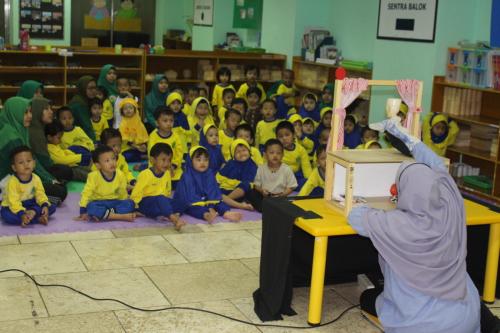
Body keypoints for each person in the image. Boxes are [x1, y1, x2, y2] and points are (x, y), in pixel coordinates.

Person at [350, 118, 482, 333]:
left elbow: (356, 217)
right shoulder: (452, 202)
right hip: (465, 317)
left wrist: (365, 203)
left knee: (368, 297)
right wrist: (405, 136)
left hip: (422, 324)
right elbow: (438, 166)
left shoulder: (396, 223)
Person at [0, 97, 67, 203]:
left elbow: (32, 161)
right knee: (59, 192)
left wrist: (50, 179)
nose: (30, 116)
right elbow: (28, 167)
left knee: (59, 180)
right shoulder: (11, 137)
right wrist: (50, 180)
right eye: (25, 112)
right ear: (14, 112)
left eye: (30, 111)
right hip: (7, 184)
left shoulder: (18, 130)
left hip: (19, 176)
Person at [173, 146, 242, 223]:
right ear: (190, 161)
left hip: (208, 200)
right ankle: (206, 215)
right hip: (193, 202)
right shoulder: (187, 175)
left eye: (206, 160)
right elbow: (189, 196)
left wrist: (210, 205)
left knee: (220, 203)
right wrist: (207, 207)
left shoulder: (209, 173)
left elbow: (213, 192)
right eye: (199, 160)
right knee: (193, 208)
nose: (203, 163)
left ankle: (226, 213)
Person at [130, 143, 186, 231]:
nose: (167, 163)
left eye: (169, 160)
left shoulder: (167, 173)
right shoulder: (145, 174)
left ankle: (165, 212)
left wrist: (167, 204)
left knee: (182, 202)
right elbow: (136, 193)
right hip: (146, 204)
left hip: (161, 202)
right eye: (163, 160)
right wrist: (135, 208)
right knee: (160, 198)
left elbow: (167, 191)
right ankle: (174, 219)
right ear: (153, 160)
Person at [77, 145, 136, 222]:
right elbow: (86, 193)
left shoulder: (120, 174)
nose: (112, 163)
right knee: (91, 207)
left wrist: (124, 202)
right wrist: (83, 211)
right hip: (99, 202)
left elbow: (122, 192)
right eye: (107, 161)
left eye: (113, 159)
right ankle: (121, 216)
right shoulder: (93, 176)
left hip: (114, 201)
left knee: (130, 203)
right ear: (98, 165)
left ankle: (103, 215)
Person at [1, 146, 56, 226]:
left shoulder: (36, 178)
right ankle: (36, 219)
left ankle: (32, 215)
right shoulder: (12, 182)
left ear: (34, 163)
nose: (26, 164)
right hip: (13, 206)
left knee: (52, 207)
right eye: (21, 162)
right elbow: (14, 202)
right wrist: (22, 213)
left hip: (31, 204)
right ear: (14, 167)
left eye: (28, 161)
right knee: (6, 216)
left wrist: (44, 205)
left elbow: (40, 194)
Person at [29, 97, 73, 184]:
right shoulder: (35, 133)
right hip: (38, 172)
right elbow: (44, 162)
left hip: (43, 168)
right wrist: (51, 179)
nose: (51, 111)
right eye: (46, 109)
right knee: (66, 171)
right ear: (37, 111)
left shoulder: (40, 127)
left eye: (50, 108)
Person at [249, 139, 297, 212]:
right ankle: (267, 207)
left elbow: (291, 186)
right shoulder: (261, 168)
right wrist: (262, 191)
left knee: (288, 206)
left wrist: (283, 194)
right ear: (265, 155)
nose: (275, 155)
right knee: (252, 193)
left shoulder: (286, 169)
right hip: (265, 196)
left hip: (280, 196)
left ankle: (272, 208)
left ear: (283, 155)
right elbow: (256, 185)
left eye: (278, 153)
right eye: (271, 153)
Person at [216, 139, 257, 210]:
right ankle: (240, 205)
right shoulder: (231, 163)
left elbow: (250, 181)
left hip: (241, 191)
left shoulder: (251, 164)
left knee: (246, 186)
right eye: (238, 152)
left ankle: (226, 201)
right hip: (227, 188)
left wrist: (237, 183)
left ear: (249, 151)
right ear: (233, 155)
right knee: (216, 191)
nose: (241, 153)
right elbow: (220, 176)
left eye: (244, 150)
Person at [148, 106, 184, 182]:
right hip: (157, 167)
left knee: (180, 182)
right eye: (165, 121)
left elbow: (179, 153)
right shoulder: (153, 136)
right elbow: (151, 154)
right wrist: (161, 167)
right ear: (157, 123)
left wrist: (174, 166)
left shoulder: (176, 136)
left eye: (171, 121)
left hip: (173, 167)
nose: (169, 123)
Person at [276, 120, 312, 191]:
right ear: (277, 138)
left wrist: (309, 182)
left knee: (306, 182)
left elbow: (306, 168)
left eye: (287, 135)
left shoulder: (301, 150)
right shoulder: (276, 151)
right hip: (282, 178)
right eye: (280, 136)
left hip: (297, 177)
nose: (284, 138)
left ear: (293, 135)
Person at [118, 98, 148, 163]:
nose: (128, 110)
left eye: (130, 108)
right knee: (125, 156)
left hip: (139, 146)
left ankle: (142, 155)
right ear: (122, 111)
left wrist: (142, 145)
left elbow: (143, 135)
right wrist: (133, 145)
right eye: (125, 109)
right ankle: (142, 157)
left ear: (135, 110)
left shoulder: (139, 122)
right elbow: (123, 138)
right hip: (127, 147)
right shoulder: (122, 124)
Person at [68, 75, 97, 141]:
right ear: (83, 88)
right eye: (90, 88)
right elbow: (87, 126)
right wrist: (94, 143)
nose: (93, 91)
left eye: (95, 88)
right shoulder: (79, 103)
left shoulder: (85, 100)